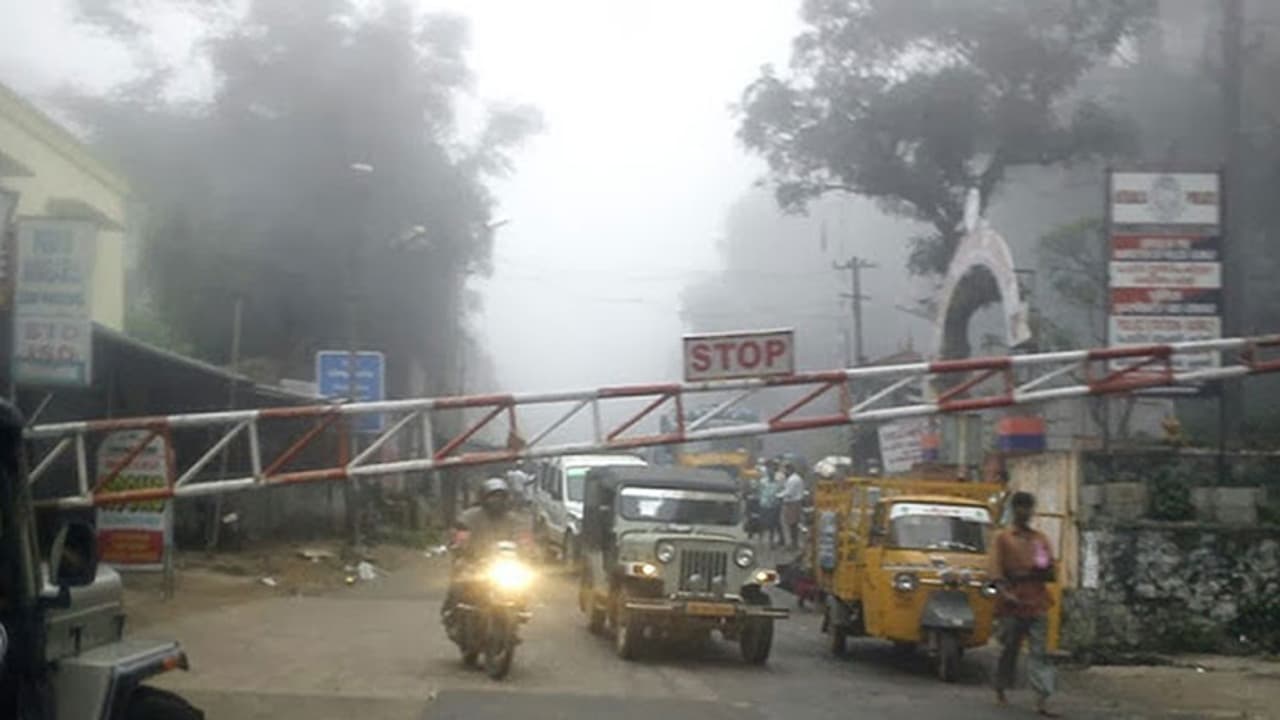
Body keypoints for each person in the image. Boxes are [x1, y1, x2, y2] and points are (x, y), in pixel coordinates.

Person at [991, 491, 1059, 717]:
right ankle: (1001, 687)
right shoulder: (1003, 538)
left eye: (1029, 507)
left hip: (1037, 600)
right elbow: (995, 571)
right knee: (1010, 649)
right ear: (1015, 510)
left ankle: (1043, 698)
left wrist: (1046, 569)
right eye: (1021, 507)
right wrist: (1004, 592)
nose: (1025, 512)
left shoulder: (1040, 539)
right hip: (1013, 601)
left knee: (1040, 652)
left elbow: (1051, 571)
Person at [442, 477, 520, 623]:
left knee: (524, 582)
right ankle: (450, 609)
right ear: (484, 498)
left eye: (501, 497)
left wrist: (530, 552)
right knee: (460, 577)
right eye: (493, 496)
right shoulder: (470, 517)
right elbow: (459, 537)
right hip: (474, 562)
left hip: (502, 564)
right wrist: (459, 546)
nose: (497, 501)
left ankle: (520, 609)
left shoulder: (513, 520)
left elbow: (524, 540)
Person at [779, 462, 805, 549]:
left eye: (785, 470)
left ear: (789, 470)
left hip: (792, 504)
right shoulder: (796, 478)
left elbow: (789, 492)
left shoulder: (792, 480)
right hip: (796, 503)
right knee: (793, 525)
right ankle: (794, 543)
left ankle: (793, 544)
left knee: (792, 525)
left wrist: (778, 495)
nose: (784, 472)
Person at [758, 466, 783, 548]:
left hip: (773, 506)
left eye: (772, 473)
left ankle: (771, 541)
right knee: (762, 523)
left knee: (772, 524)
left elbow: (780, 493)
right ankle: (760, 540)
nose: (771, 474)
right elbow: (759, 491)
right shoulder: (763, 481)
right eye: (770, 473)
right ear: (768, 474)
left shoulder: (778, 483)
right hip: (764, 505)